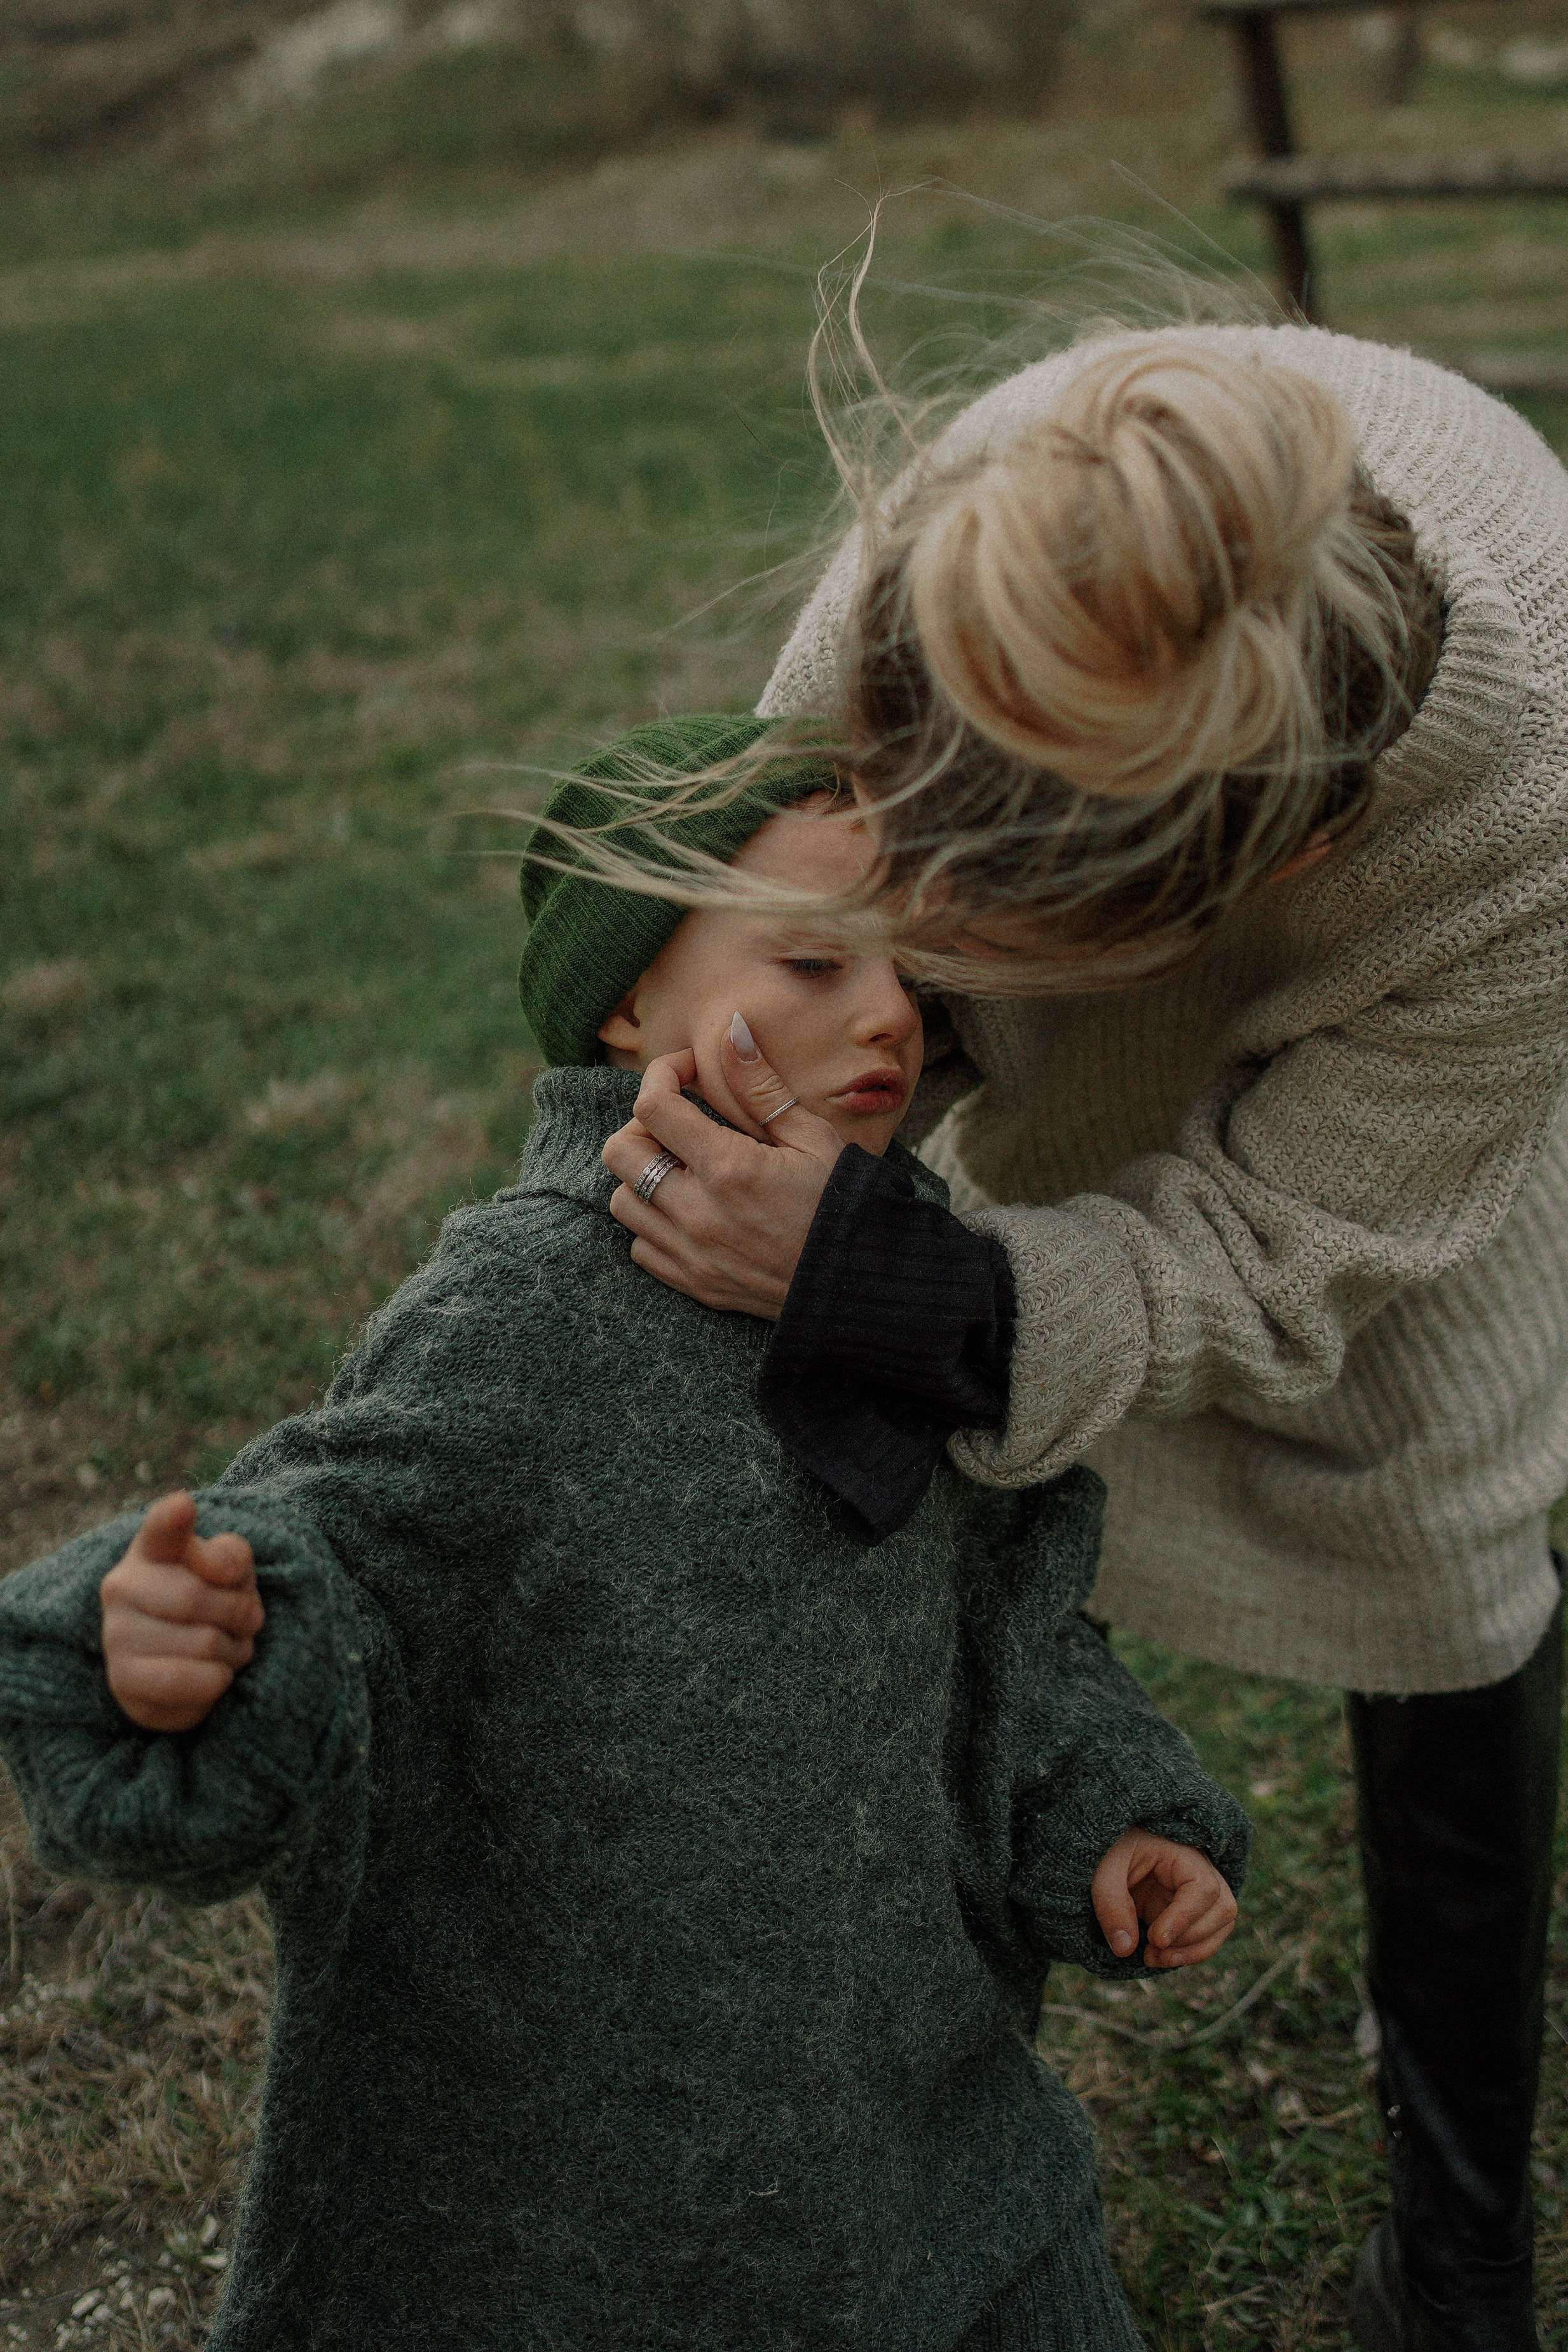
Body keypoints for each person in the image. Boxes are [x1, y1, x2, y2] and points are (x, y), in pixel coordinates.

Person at [0, 714, 1248, 2352]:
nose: (885, 1017)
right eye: (810, 962)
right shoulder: (525, 1312)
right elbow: (339, 1547)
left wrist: (1103, 1816)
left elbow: (1005, 1619)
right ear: (627, 996)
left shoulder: (906, 1270)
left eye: (911, 978)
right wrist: (197, 1645)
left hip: (924, 2150)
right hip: (568, 2217)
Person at [595, 329, 1568, 2352]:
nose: (901, 917)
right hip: (1108, 911)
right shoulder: (958, 554)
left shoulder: (1526, 805)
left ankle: (1458, 2247)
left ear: (1255, 879)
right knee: (850, 1444)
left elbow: (1292, 1241)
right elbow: (726, 901)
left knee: (1449, 1545)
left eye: (968, 903)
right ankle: (852, 2113)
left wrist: (915, 1289)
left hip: (1387, 1097)